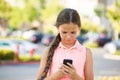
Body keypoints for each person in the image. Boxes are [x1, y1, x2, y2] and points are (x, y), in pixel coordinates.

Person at [36, 8, 94, 80]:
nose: (68, 36)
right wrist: (57, 75)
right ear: (58, 29)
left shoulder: (86, 52)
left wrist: (75, 76)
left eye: (73, 32)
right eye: (64, 32)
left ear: (79, 29)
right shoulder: (48, 51)